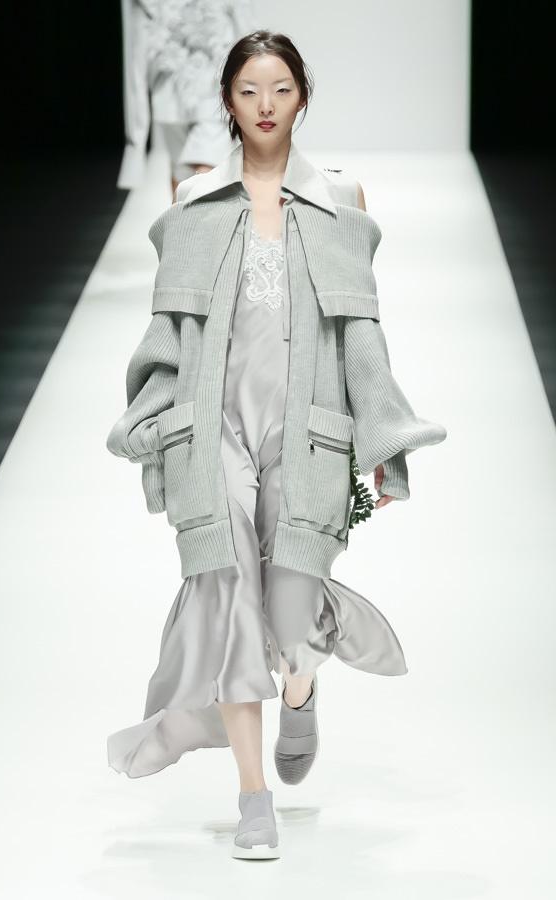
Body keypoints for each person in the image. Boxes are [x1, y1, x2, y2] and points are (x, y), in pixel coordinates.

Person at [105, 30, 448, 860]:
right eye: (250, 90)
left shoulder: (340, 197)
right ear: (228, 100)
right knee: (226, 601)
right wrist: (155, 425)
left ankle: (300, 688)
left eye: (281, 89)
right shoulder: (194, 197)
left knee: (291, 612)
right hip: (212, 429)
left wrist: (383, 440)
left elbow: (361, 332)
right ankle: (252, 797)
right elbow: (169, 329)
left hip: (308, 429)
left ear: (303, 97)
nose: (265, 106)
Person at [117, 0, 255, 194]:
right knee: (184, 179)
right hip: (172, 100)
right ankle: (181, 215)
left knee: (202, 176)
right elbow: (137, 61)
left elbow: (248, 38)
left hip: (210, 95)